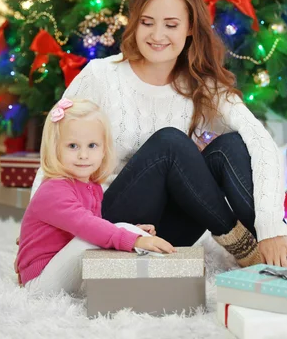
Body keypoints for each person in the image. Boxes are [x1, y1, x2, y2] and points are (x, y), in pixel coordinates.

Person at [31, 0, 287, 272]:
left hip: (166, 234)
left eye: (171, 25)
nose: (157, 36)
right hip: (107, 225)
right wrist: (35, 230)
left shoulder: (202, 83)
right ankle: (242, 244)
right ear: (134, 22)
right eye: (147, 22)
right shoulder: (101, 76)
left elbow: (259, 141)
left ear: (190, 28)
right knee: (169, 143)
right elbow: (53, 150)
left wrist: (272, 225)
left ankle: (284, 252)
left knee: (232, 144)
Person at [16, 98, 175, 295]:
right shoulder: (53, 189)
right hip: (40, 282)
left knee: (119, 233)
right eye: (73, 146)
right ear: (55, 148)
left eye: (92, 145)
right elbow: (86, 226)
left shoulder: (91, 185)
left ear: (103, 149)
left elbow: (93, 226)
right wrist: (133, 239)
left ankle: (162, 277)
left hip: (61, 268)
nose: (83, 155)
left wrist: (132, 233)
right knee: (111, 233)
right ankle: (164, 276)